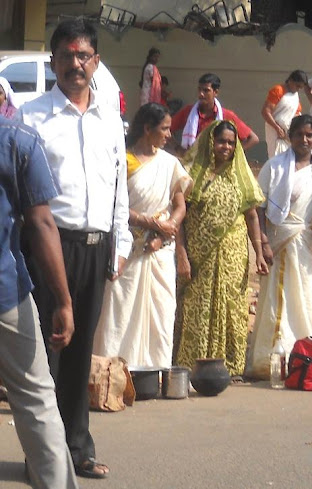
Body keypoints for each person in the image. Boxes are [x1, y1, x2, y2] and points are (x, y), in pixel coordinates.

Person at [15, 17, 132, 479]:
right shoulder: (32, 116)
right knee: (48, 353)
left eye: (84, 55)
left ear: (96, 62)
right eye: (66, 55)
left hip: (96, 245)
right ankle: (43, 455)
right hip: (49, 246)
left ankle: (78, 447)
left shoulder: (110, 120)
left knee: (81, 351)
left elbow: (118, 188)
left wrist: (120, 243)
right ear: (53, 62)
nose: (75, 64)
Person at [0, 116, 79, 489]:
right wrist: (63, 300)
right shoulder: (17, 139)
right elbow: (42, 223)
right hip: (6, 294)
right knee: (35, 398)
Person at [245, 115, 312, 380]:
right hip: (280, 245)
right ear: (290, 137)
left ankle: (307, 359)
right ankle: (270, 361)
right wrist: (263, 243)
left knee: (309, 301)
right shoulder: (274, 167)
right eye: (299, 134)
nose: (304, 140)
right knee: (276, 303)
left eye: (310, 135)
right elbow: (258, 207)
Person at [93, 103, 192, 368]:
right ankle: (114, 372)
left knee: (161, 312)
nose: (169, 135)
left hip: (160, 252)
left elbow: (180, 205)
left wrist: (169, 226)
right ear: (148, 129)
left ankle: (155, 372)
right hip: (128, 248)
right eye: (165, 129)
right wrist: (153, 223)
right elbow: (114, 205)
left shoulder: (170, 164)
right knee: (119, 312)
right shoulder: (123, 161)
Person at [175, 120, 267, 379]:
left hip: (233, 255)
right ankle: (192, 365)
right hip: (199, 256)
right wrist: (181, 255)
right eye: (221, 141)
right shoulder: (192, 175)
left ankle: (230, 367)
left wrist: (259, 253)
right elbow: (179, 218)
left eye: (230, 142)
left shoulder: (241, 175)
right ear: (210, 142)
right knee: (197, 306)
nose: (226, 146)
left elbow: (252, 216)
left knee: (232, 306)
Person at [170, 73, 259, 156]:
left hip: (216, 164)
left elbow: (253, 139)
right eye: (199, 89)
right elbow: (166, 130)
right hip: (191, 161)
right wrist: (178, 149)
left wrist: (230, 155)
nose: (201, 94)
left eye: (206, 90)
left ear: (215, 92)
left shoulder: (226, 115)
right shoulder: (188, 112)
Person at [262, 69, 307, 158]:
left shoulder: (295, 95)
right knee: (277, 158)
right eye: (297, 86)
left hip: (289, 133)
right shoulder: (278, 90)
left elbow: (296, 113)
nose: (298, 89)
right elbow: (265, 112)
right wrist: (277, 128)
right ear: (291, 81)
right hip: (275, 131)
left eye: (300, 88)